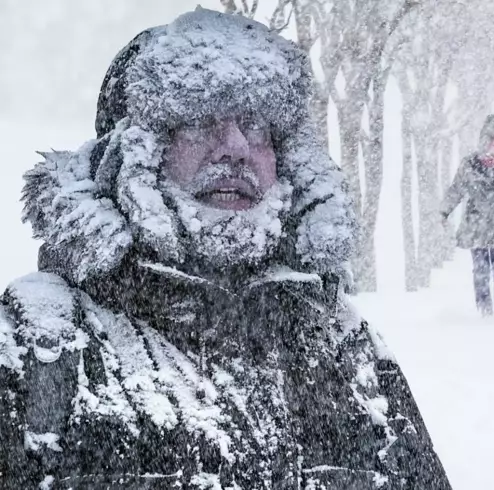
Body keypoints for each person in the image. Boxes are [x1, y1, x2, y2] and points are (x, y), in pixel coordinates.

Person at [0, 9, 452, 489]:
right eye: (199, 120)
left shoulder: (342, 343)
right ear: (133, 152)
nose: (236, 147)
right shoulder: (36, 346)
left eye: (257, 124)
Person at [440, 115, 494, 316]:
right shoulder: (471, 164)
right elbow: (457, 189)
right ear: (486, 142)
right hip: (477, 227)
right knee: (480, 270)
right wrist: (444, 210)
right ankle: (485, 311)